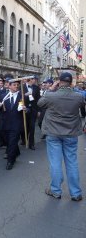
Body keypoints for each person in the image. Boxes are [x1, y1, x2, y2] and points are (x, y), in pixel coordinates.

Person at [38, 73, 83, 201]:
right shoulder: (78, 96)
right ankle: (75, 193)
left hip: (54, 133)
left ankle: (56, 191)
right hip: (71, 133)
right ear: (71, 82)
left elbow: (40, 103)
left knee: (55, 163)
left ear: (59, 82)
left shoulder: (51, 95)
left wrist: (51, 89)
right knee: (72, 163)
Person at [0, 79, 26, 170]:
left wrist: (26, 109)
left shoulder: (21, 97)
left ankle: (10, 161)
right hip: (5, 123)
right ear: (9, 86)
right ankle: (16, 152)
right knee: (8, 141)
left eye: (17, 85)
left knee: (12, 142)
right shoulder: (3, 96)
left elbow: (28, 110)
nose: (16, 86)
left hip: (16, 123)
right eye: (14, 85)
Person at [22, 76, 40, 150]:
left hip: (33, 110)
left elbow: (38, 100)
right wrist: (25, 95)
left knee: (32, 127)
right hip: (24, 109)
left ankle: (31, 144)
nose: (35, 81)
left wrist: (39, 110)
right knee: (24, 126)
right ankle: (24, 140)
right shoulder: (22, 87)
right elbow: (19, 97)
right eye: (34, 79)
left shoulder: (36, 88)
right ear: (30, 80)